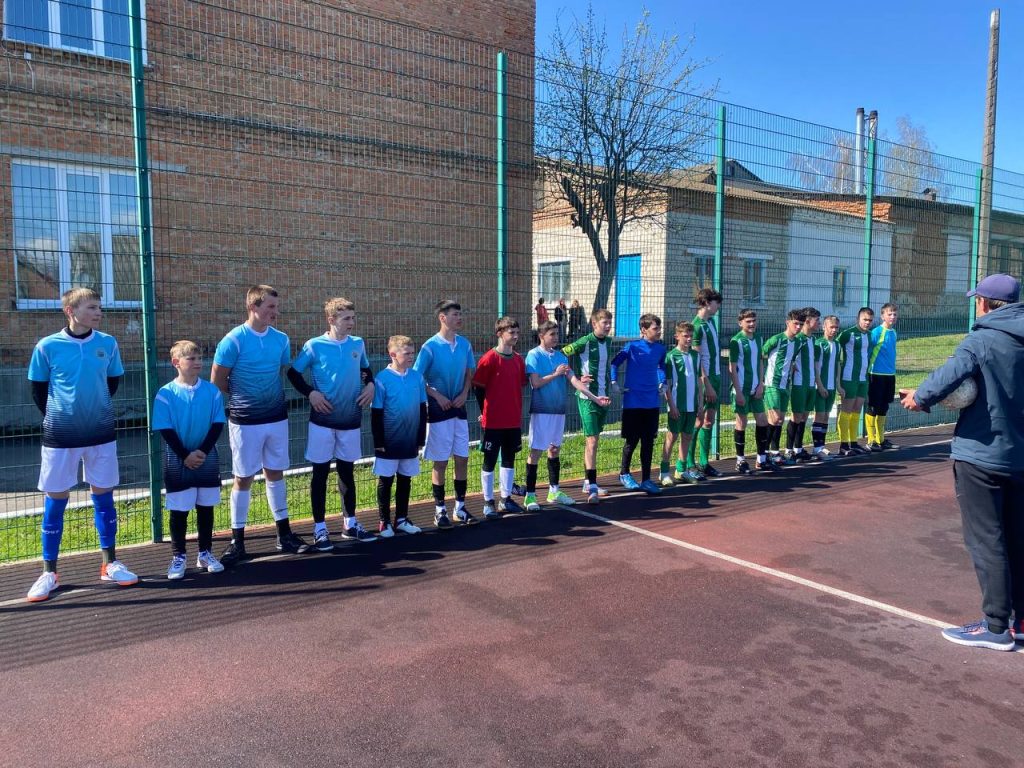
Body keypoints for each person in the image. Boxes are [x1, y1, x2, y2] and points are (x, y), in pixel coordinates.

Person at [900, 273, 1024, 651]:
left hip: (982, 454)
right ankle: (1020, 621)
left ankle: (996, 626)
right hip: (1020, 456)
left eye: (977, 301)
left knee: (987, 538)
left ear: (984, 303)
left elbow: (948, 376)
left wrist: (919, 397)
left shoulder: (982, 339)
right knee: (1017, 537)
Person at [26, 288, 137, 602]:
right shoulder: (47, 346)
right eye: (91, 307)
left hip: (101, 435)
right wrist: (62, 417)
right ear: (70, 311)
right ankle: (49, 572)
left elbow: (111, 383)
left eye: (99, 307)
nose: (98, 312)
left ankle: (109, 563)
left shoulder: (108, 343)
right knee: (55, 500)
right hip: (60, 437)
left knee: (104, 497)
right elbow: (38, 391)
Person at [212, 284, 309, 565]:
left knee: (275, 473)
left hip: (276, 417)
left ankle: (284, 535)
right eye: (270, 307)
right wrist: (244, 398)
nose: (275, 313)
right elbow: (217, 380)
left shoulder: (281, 339)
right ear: (252, 307)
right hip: (244, 421)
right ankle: (237, 542)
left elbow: (277, 372)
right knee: (243, 478)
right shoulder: (233, 340)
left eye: (276, 307)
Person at [288, 297, 377, 552]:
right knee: (320, 473)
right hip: (322, 421)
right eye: (346, 318)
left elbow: (366, 370)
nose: (352, 322)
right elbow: (293, 373)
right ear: (331, 320)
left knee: (347, 471)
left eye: (353, 318)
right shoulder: (314, 345)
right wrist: (311, 394)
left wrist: (371, 385)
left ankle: (350, 523)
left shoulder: (357, 344)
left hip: (351, 420)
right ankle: (319, 528)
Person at [153, 340, 227, 580]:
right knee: (179, 510)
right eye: (191, 359)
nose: (197, 363)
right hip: (178, 461)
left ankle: (205, 553)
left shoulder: (212, 392)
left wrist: (202, 452)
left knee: (205, 508)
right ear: (176, 362)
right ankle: (179, 556)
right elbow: (165, 429)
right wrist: (185, 455)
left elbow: (217, 424)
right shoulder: (165, 394)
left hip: (207, 459)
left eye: (199, 358)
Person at [524, 320, 610, 510]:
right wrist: (556, 374)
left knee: (554, 450)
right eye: (552, 334)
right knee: (536, 451)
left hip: (558, 411)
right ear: (541, 336)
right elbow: (535, 383)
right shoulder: (533, 355)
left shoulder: (561, 357)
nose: (556, 337)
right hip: (541, 411)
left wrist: (595, 398)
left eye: (557, 334)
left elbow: (575, 381)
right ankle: (530, 495)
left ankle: (554, 491)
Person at [414, 300, 475, 528]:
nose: (459, 318)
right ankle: (440, 510)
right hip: (438, 410)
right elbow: (417, 377)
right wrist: (436, 395)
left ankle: (460, 507)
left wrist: (465, 393)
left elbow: (469, 372)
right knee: (440, 462)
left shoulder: (465, 344)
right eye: (455, 314)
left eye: (460, 314)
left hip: (459, 408)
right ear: (442, 317)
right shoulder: (429, 347)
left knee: (462, 458)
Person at [371, 335, 427, 537]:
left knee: (405, 479)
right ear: (393, 354)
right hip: (388, 440)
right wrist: (379, 441)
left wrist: (420, 438)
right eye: (407, 353)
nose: (411, 356)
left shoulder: (417, 377)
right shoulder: (381, 379)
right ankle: (384, 521)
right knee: (386, 480)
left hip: (410, 440)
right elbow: (376, 413)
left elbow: (422, 408)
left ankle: (401, 519)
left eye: (413, 353)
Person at [473, 316, 528, 518]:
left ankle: (506, 499)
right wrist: (484, 412)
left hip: (512, 420)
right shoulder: (488, 359)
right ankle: (488, 502)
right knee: (489, 460)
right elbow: (478, 388)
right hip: (493, 422)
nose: (515, 336)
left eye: (517, 332)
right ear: (499, 333)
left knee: (509, 459)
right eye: (511, 332)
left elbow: (518, 385)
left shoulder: (518, 359)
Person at [610, 313, 667, 495]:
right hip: (633, 402)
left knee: (648, 442)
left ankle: (647, 480)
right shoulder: (632, 346)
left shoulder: (660, 349)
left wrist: (663, 382)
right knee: (632, 440)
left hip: (652, 402)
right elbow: (614, 363)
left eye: (659, 328)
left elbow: (661, 367)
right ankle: (624, 473)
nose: (659, 331)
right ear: (644, 330)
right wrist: (614, 382)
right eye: (655, 328)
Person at [562, 308, 615, 503]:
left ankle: (587, 481)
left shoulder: (608, 342)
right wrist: (576, 376)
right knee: (591, 440)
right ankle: (592, 486)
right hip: (587, 397)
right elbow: (562, 353)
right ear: (594, 324)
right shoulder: (585, 341)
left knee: (594, 440)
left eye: (610, 323)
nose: (608, 326)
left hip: (604, 397)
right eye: (604, 323)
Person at [660, 321, 702, 486]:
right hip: (677, 404)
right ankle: (664, 472)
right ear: (677, 336)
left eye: (691, 336)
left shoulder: (696, 356)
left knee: (687, 436)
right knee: (672, 436)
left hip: (692, 405)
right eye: (686, 336)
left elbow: (698, 381)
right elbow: (667, 385)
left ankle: (681, 470)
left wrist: (700, 403)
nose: (689, 339)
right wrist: (671, 405)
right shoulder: (671, 356)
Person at [761, 309, 802, 470]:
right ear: (787, 322)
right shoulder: (776, 339)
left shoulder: (797, 343)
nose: (798, 327)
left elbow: (791, 360)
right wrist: (761, 379)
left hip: (786, 385)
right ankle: (763, 454)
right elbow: (761, 355)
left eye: (800, 324)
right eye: (795, 323)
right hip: (772, 384)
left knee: (780, 420)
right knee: (775, 418)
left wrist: (791, 367)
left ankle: (774, 452)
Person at [729, 308, 767, 475]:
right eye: (748, 321)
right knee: (741, 422)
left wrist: (761, 384)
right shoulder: (735, 341)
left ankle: (761, 459)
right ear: (740, 323)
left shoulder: (759, 338)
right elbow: (732, 368)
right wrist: (738, 392)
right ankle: (740, 461)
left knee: (762, 421)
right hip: (742, 388)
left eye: (754, 321)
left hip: (756, 387)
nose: (752, 324)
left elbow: (760, 362)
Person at [691, 288, 724, 479]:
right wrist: (706, 384)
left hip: (716, 376)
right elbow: (697, 360)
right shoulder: (696, 326)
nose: (718, 306)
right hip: (705, 380)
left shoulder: (711, 322)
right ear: (706, 303)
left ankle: (704, 462)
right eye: (716, 302)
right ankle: (689, 463)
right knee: (698, 420)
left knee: (709, 420)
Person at [786, 307, 824, 462]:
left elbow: (814, 363)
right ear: (808, 321)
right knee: (796, 416)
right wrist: (792, 365)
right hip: (799, 383)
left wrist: (817, 381)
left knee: (804, 417)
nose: (819, 323)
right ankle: (789, 450)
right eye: (817, 320)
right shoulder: (798, 339)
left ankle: (798, 448)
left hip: (810, 384)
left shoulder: (813, 340)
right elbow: (788, 357)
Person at [837, 307, 875, 456]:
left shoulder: (870, 335)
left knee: (857, 410)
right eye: (865, 319)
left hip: (863, 378)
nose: (867, 323)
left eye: (870, 320)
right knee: (846, 410)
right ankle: (843, 445)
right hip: (849, 377)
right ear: (857, 319)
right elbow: (835, 348)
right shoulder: (847, 334)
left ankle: (853, 442)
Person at [866, 302, 899, 451]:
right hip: (876, 374)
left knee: (884, 407)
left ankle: (881, 439)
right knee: (873, 406)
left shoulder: (894, 332)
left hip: (890, 375)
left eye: (895, 314)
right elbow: (867, 352)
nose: (892, 317)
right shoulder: (876, 332)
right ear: (882, 316)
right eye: (889, 314)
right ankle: (871, 440)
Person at [810, 315, 843, 460]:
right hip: (820, 386)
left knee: (826, 416)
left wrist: (838, 385)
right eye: (831, 327)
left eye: (836, 327)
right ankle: (816, 447)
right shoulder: (819, 344)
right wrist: (820, 385)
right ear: (824, 327)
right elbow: (816, 367)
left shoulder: (837, 345)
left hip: (831, 386)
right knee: (819, 415)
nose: (834, 330)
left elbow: (837, 365)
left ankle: (821, 446)